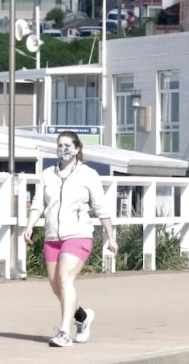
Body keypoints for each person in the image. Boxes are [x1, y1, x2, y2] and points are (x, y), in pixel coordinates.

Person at [24, 131, 118, 348]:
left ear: (77, 148)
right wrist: (29, 226)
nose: (63, 148)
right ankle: (82, 317)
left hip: (79, 234)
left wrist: (110, 237)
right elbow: (38, 203)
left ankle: (64, 332)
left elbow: (100, 207)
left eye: (67, 145)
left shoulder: (88, 174)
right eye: (60, 145)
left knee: (66, 279)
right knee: (56, 286)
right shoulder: (48, 174)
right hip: (52, 235)